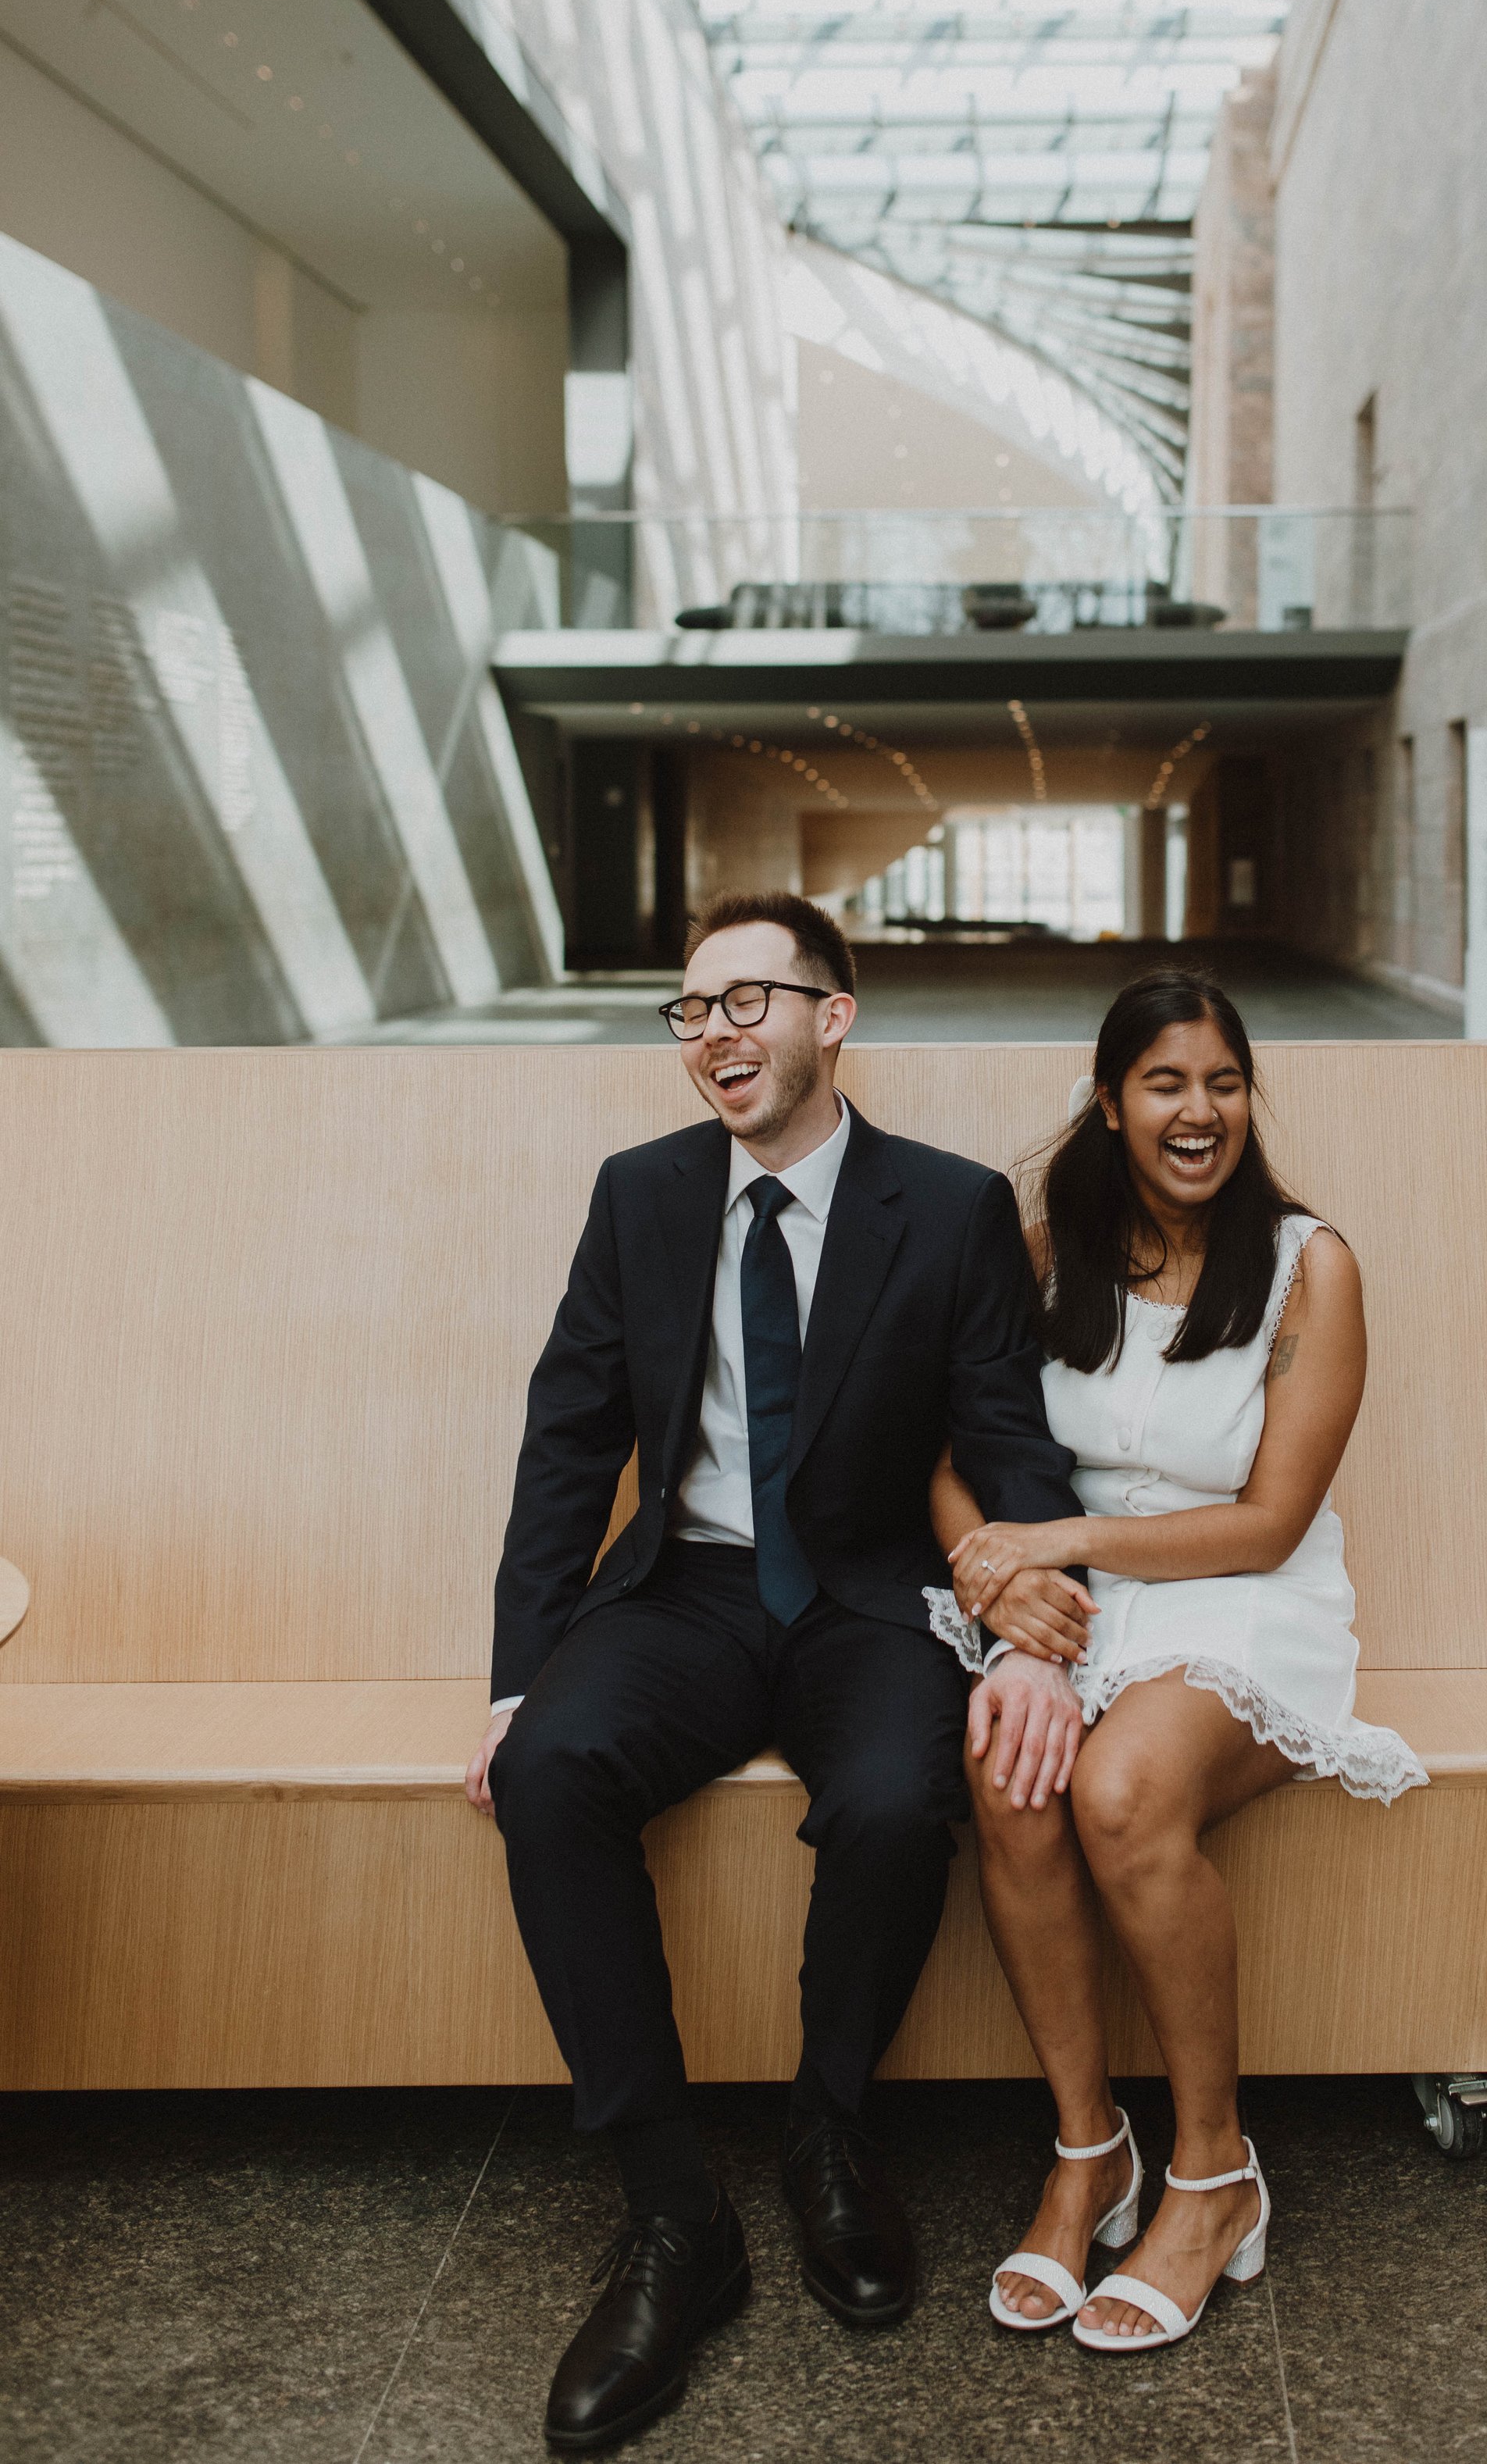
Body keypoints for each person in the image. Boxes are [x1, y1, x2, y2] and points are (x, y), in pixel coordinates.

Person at [465, 891, 1083, 2453]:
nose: (716, 1033)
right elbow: (568, 1444)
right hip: (683, 1591)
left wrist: (1033, 1633)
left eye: (750, 999)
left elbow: (1009, 1443)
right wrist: (517, 1674)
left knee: (893, 1794)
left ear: (834, 1017)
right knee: (544, 1772)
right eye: (691, 1011)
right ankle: (678, 2216)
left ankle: (829, 2130)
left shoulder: (944, 1211)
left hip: (868, 1596)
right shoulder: (642, 1197)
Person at [927, 968, 1426, 2353]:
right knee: (1008, 1769)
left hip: (1246, 1598)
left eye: (1221, 1083)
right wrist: (994, 1570)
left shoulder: (1310, 1264)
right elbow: (955, 1454)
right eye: (1165, 1084)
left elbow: (1269, 1520)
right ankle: (1091, 2150)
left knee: (1123, 1793)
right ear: (1111, 1103)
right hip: (1078, 1591)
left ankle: (1214, 2171)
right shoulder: (1046, 1249)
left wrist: (1058, 1539)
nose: (1198, 1112)